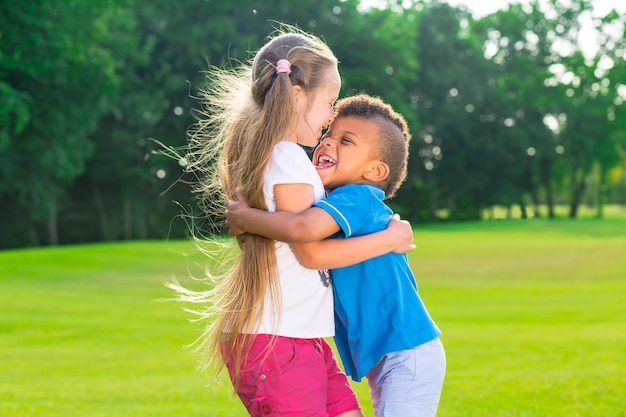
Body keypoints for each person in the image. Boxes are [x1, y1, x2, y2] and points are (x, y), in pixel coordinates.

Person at [170, 26, 416, 417]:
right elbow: (311, 251)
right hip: (277, 342)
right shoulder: (288, 161)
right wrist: (390, 238)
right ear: (297, 96)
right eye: (329, 102)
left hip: (299, 337)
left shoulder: (276, 157)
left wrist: (247, 220)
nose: (331, 116)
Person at [225, 94, 446, 417]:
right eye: (328, 136)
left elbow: (304, 236)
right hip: (392, 354)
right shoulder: (332, 201)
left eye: (346, 141)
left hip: (406, 352)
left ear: (374, 171)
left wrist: (246, 219)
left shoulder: (356, 197)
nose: (327, 144)